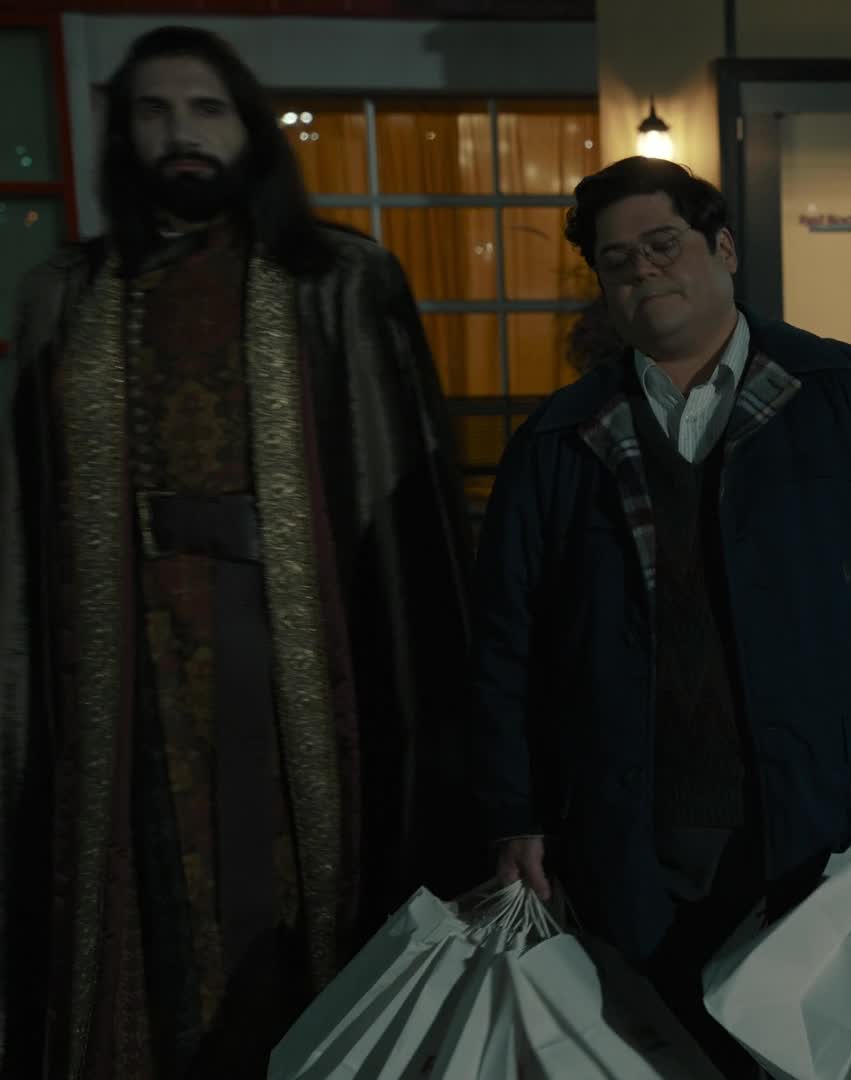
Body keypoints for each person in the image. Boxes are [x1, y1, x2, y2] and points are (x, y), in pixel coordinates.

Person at [0, 25, 474, 1079]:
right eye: (155, 110)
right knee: (143, 898)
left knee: (296, 896)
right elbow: (28, 509)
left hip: (297, 665)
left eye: (207, 108)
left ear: (250, 127)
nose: (182, 131)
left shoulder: (336, 280)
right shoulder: (66, 295)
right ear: (122, 132)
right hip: (122, 675)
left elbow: (403, 512)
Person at [470, 156, 851, 1078]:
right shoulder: (559, 440)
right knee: (657, 1048)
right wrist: (518, 810)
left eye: (663, 245)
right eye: (617, 260)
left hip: (823, 808)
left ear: (724, 248)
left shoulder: (846, 398)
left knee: (818, 1044)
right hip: (631, 821)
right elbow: (507, 640)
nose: (643, 272)